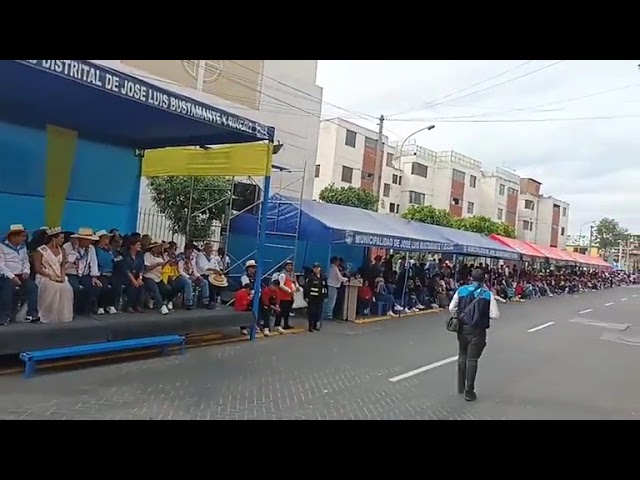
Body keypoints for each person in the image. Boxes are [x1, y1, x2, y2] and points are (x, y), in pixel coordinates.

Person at [449, 268, 500, 402]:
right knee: (472, 360)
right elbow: (495, 315)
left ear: (471, 278)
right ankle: (469, 391)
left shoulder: (461, 290)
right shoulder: (487, 294)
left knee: (462, 355)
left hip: (462, 329)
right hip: (478, 331)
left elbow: (451, 308)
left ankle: (460, 385)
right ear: (484, 280)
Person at [32, 226, 74, 324]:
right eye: (61, 238)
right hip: (44, 275)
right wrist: (50, 275)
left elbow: (63, 265)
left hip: (58, 274)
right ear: (53, 238)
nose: (63, 240)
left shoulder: (62, 250)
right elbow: (37, 268)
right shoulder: (40, 250)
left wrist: (62, 276)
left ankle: (61, 315)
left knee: (66, 287)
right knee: (51, 286)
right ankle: (46, 315)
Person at [0, 224, 40, 324]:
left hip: (21, 274)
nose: (25, 238)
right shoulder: (1, 246)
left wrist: (26, 271)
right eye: (22, 236)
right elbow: (1, 265)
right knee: (7, 289)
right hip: (6, 275)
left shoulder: (22, 247)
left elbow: (25, 261)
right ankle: (5, 316)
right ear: (14, 236)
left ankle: (32, 314)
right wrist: (12, 277)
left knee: (32, 287)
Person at [304, 262, 327, 332]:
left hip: (320, 297)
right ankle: (310, 326)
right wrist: (306, 297)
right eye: (315, 268)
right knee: (311, 312)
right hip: (312, 297)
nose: (316, 269)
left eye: (317, 268)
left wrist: (326, 295)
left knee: (318, 312)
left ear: (320, 268)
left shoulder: (323, 277)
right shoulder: (310, 277)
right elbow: (306, 287)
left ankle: (315, 324)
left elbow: (325, 287)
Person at [325, 256, 348, 321]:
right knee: (331, 301)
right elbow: (339, 277)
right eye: (337, 261)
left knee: (330, 300)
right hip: (333, 285)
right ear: (335, 261)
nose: (338, 262)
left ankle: (328, 313)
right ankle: (328, 315)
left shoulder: (330, 268)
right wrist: (346, 279)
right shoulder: (334, 268)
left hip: (331, 285)